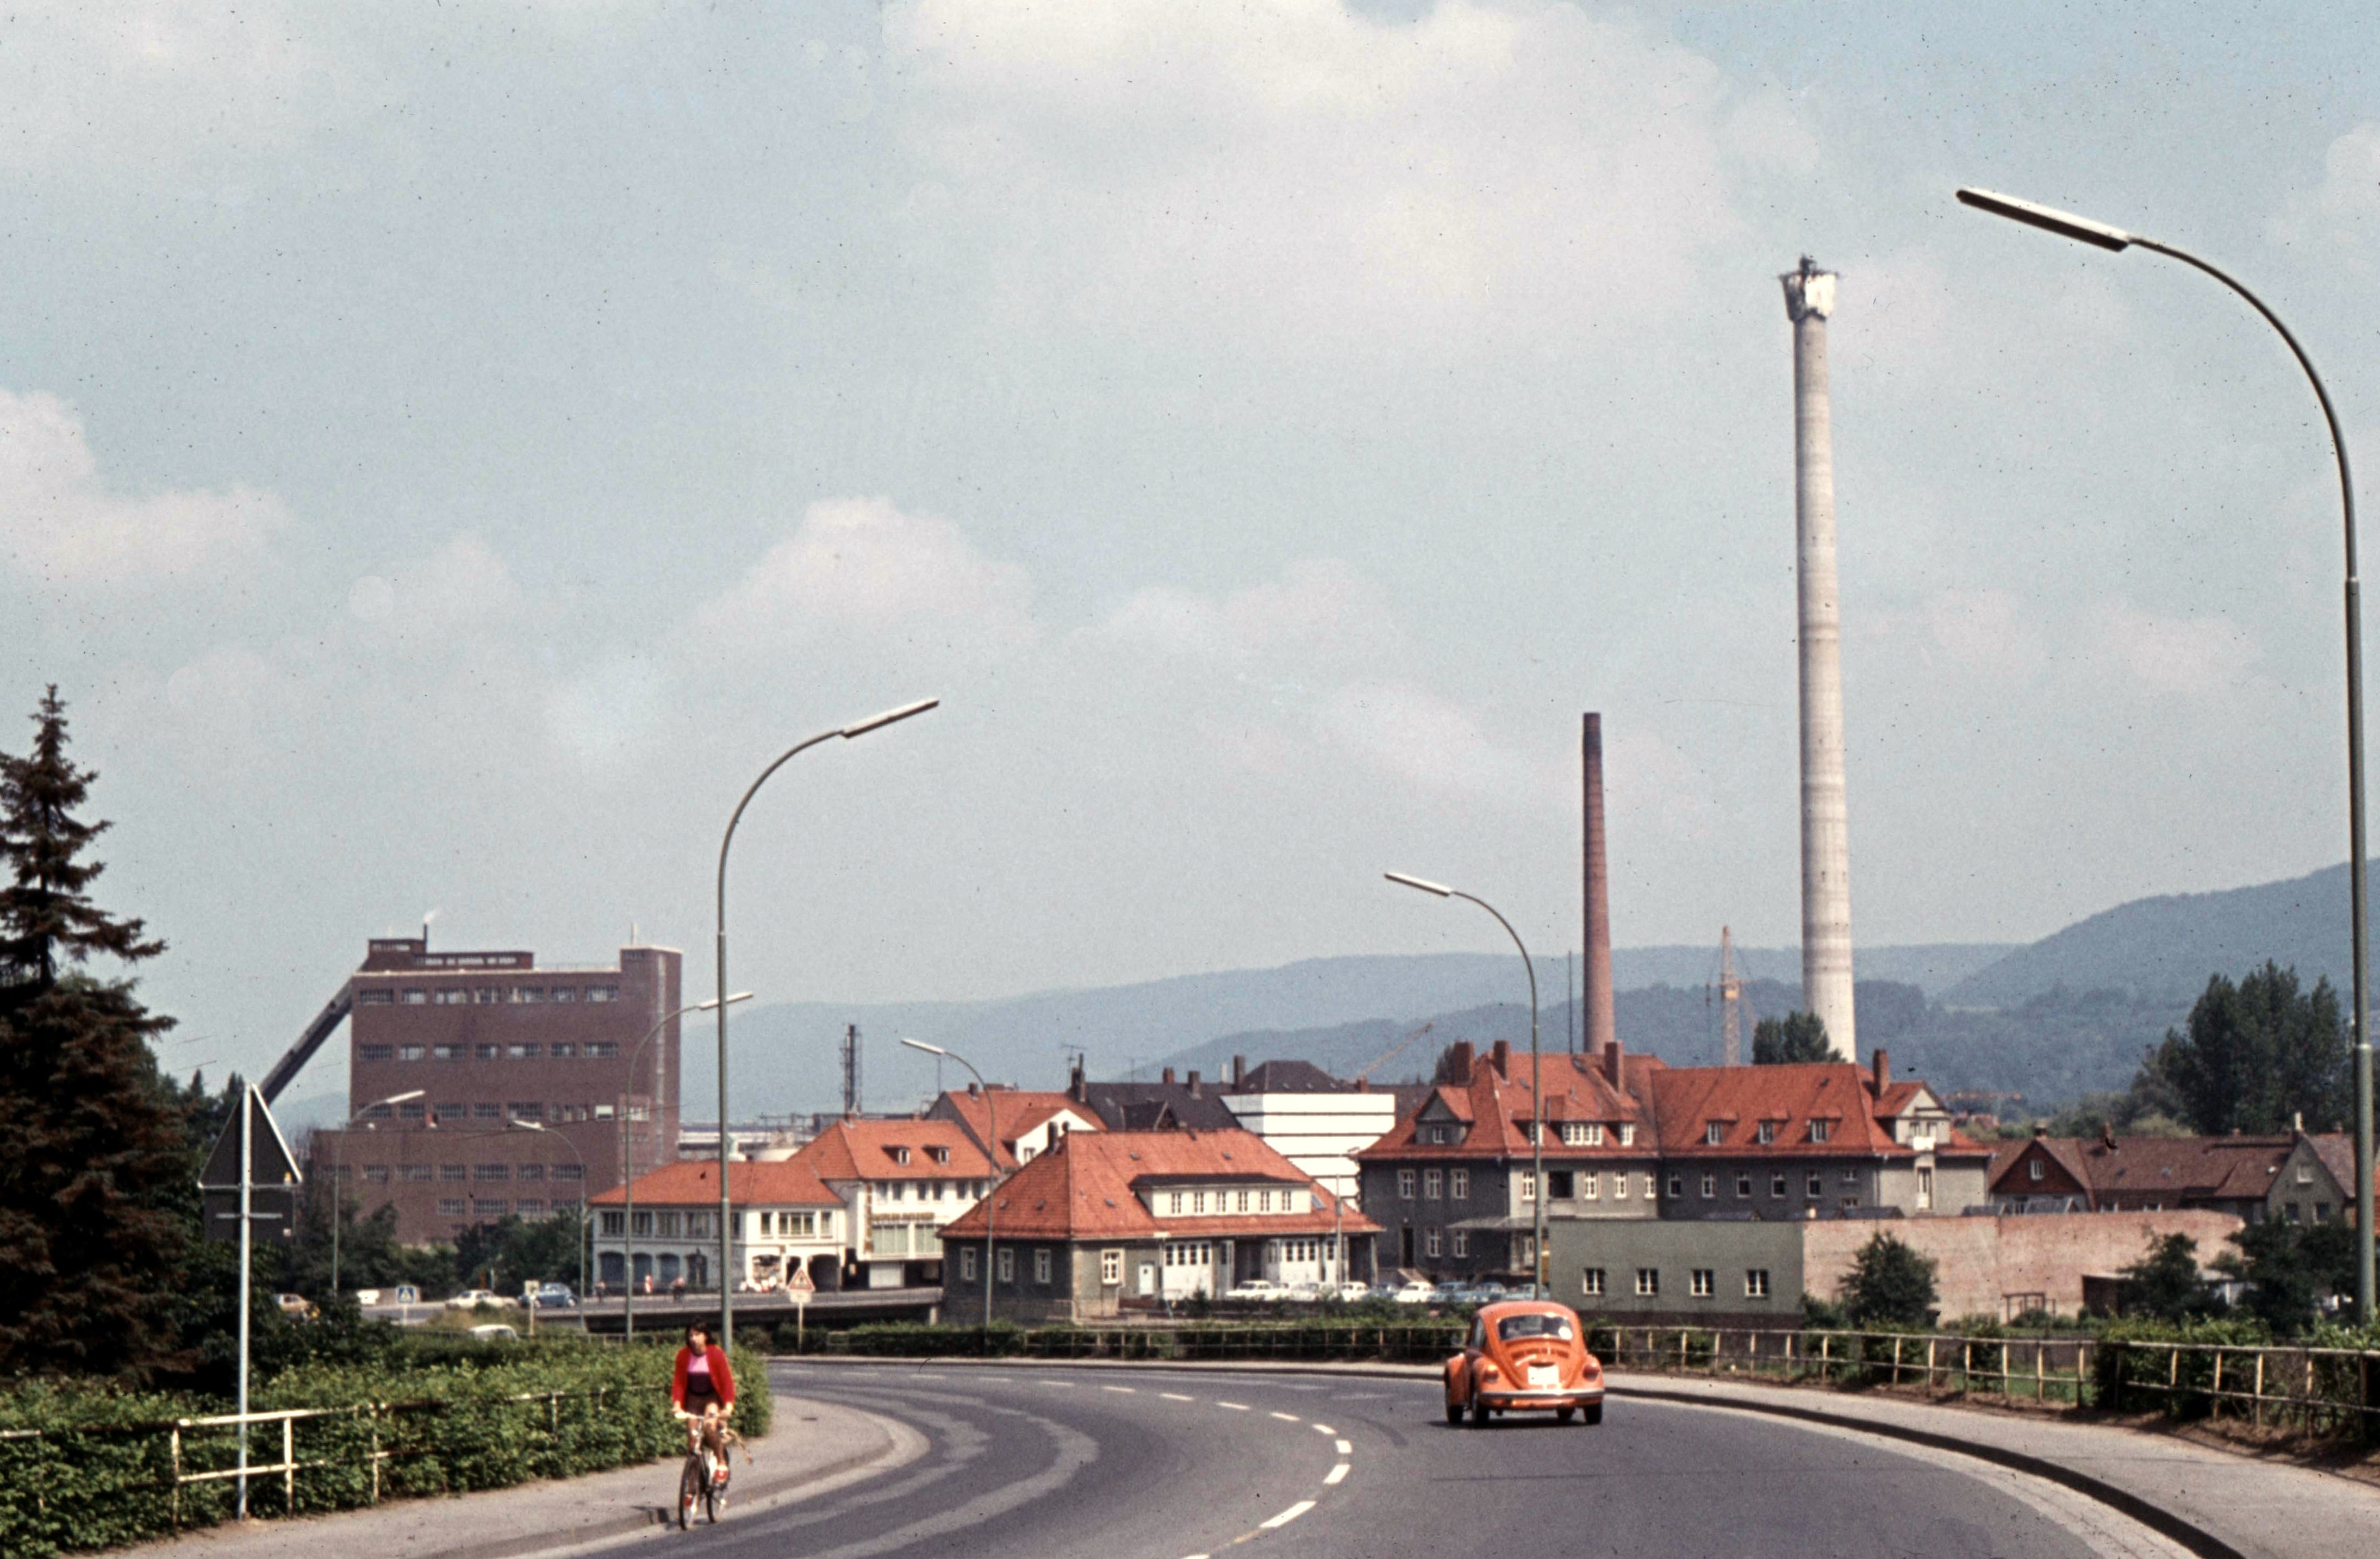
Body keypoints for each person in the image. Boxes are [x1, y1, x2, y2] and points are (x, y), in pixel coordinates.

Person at [671, 1321, 737, 1486]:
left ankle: (721, 1464)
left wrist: (728, 1406)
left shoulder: (716, 1354)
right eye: (691, 1335)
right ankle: (692, 1484)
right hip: (693, 1399)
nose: (693, 1339)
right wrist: (677, 1404)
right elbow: (678, 1382)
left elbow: (727, 1381)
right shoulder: (683, 1355)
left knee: (709, 1427)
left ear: (705, 1336)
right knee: (693, 1441)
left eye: (697, 1335)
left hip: (711, 1398)